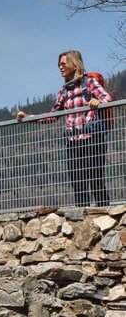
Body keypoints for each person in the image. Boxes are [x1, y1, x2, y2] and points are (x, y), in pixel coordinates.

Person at [16, 50, 113, 207]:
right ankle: (82, 217)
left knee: (96, 180)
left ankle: (104, 213)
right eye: (58, 65)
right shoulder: (64, 90)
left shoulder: (89, 82)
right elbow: (53, 115)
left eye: (63, 63)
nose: (60, 67)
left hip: (93, 139)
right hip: (73, 142)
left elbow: (107, 98)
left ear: (74, 64)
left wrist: (97, 101)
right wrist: (29, 117)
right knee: (78, 183)